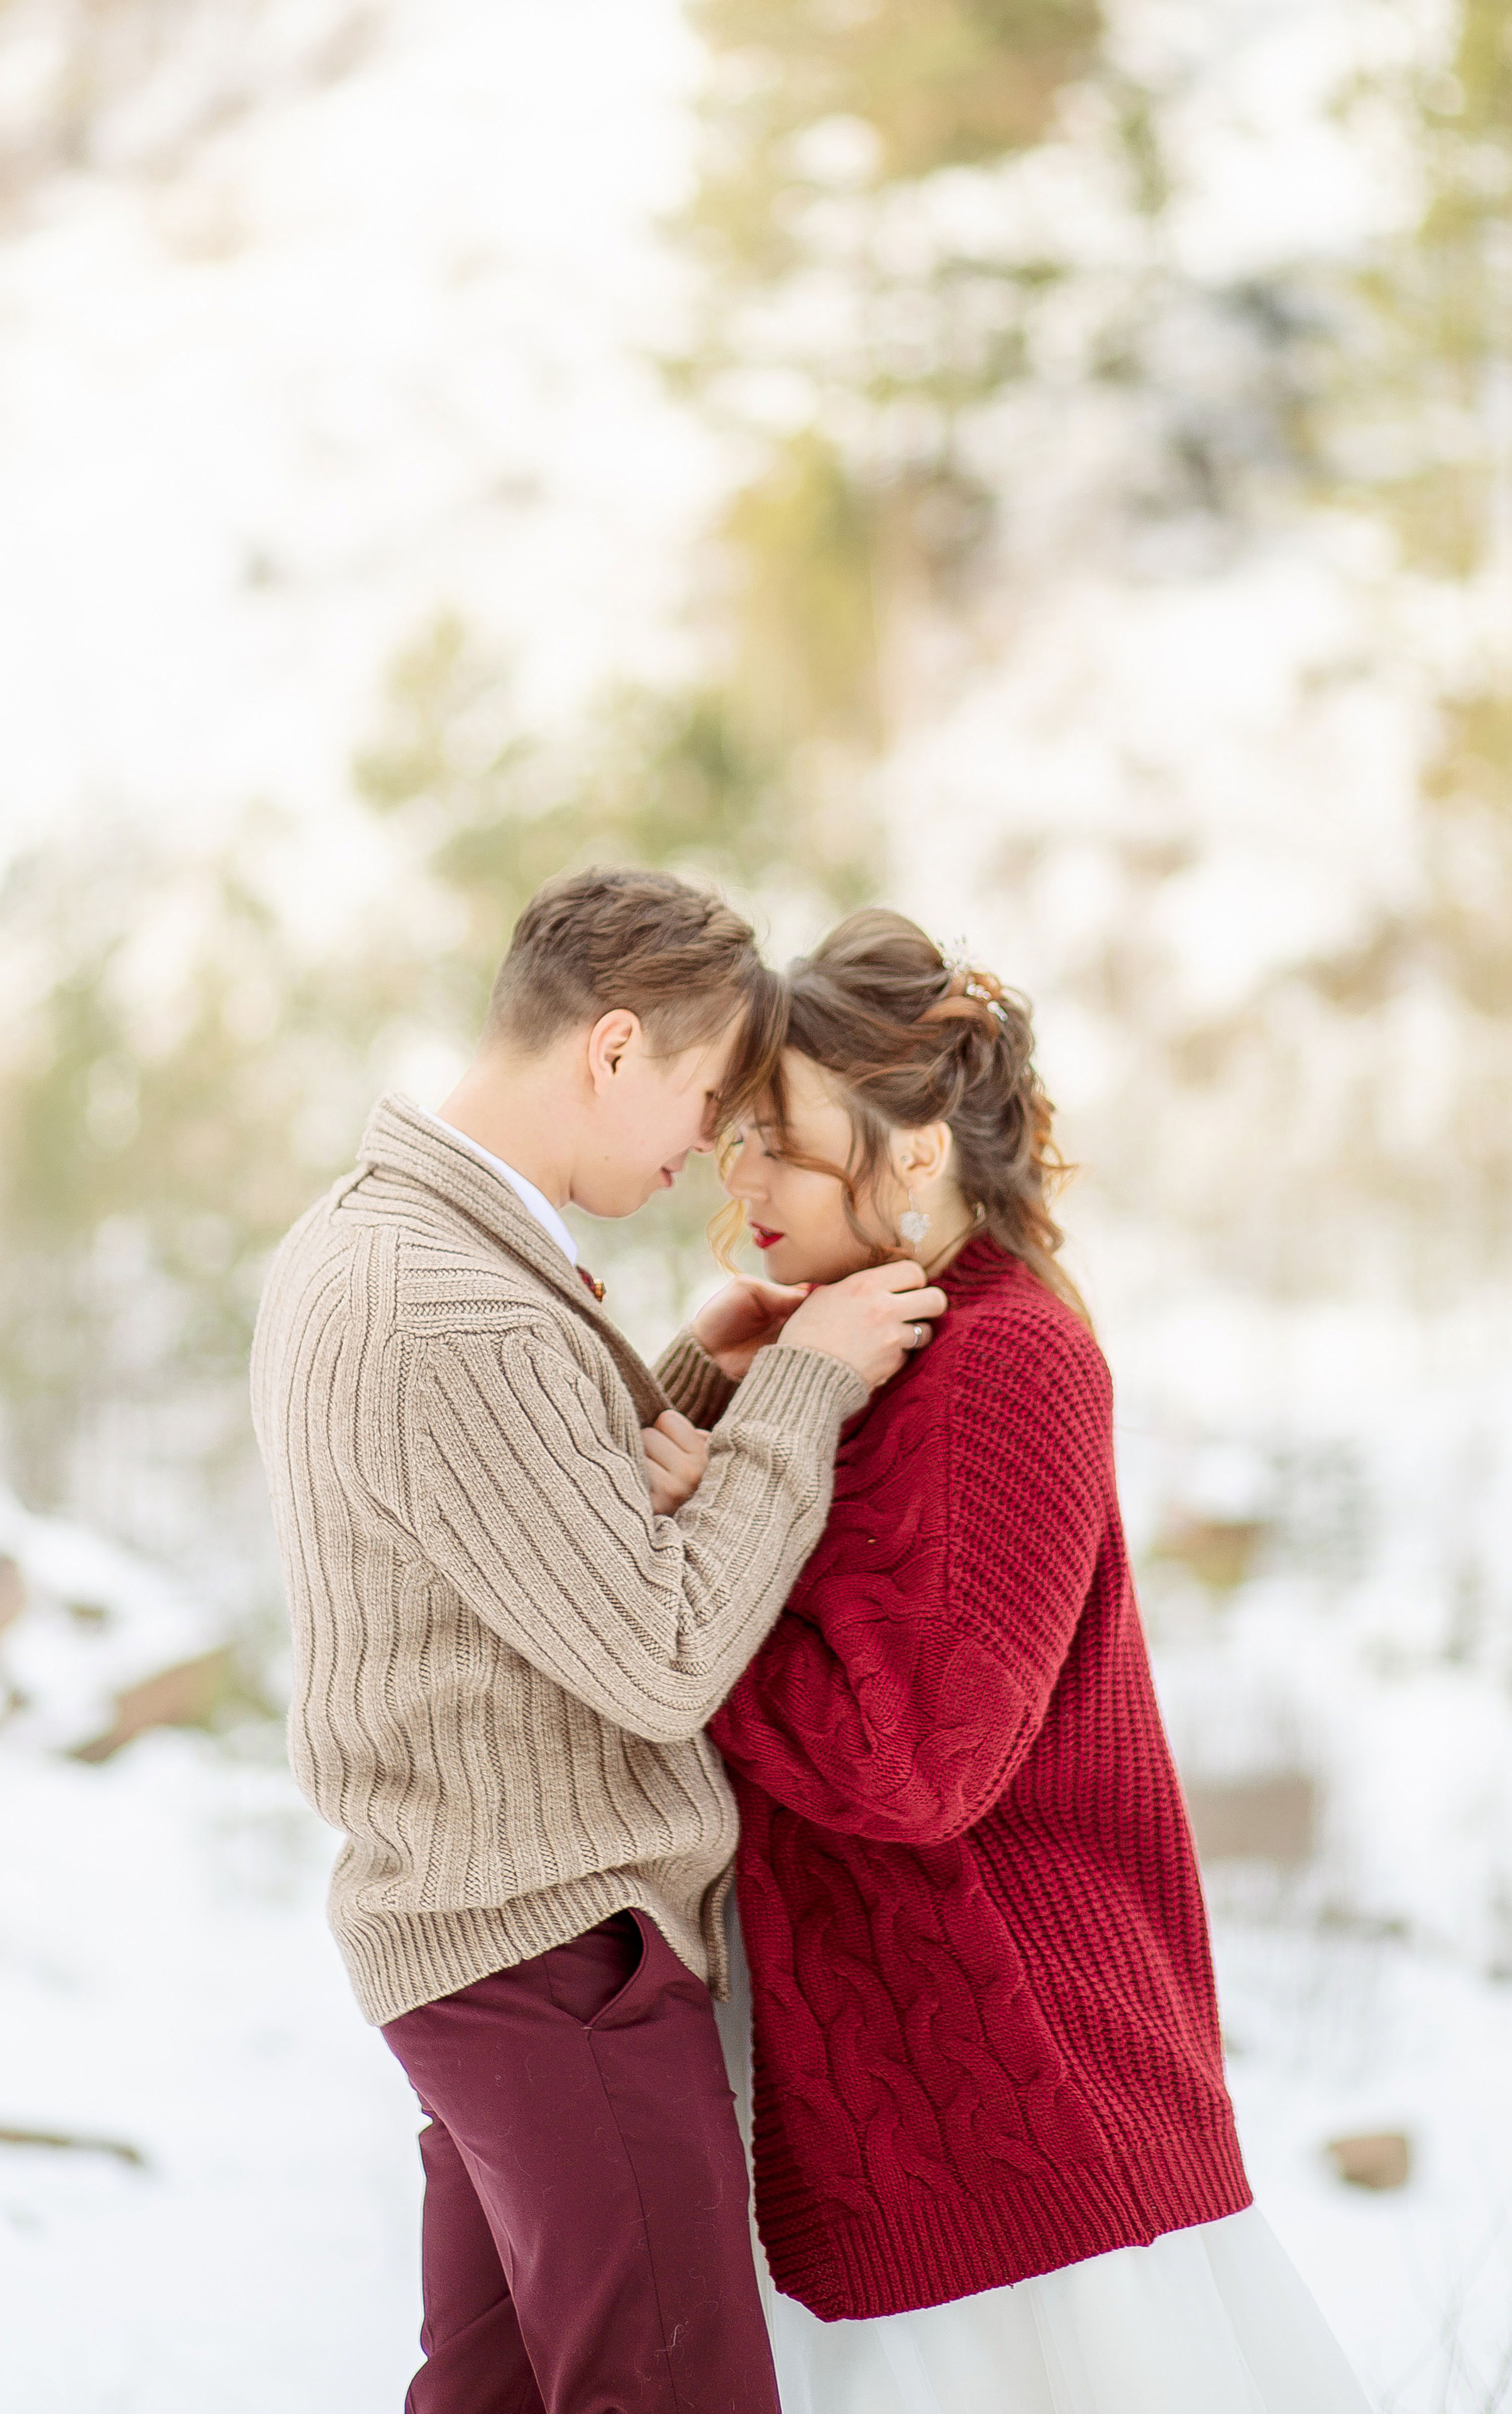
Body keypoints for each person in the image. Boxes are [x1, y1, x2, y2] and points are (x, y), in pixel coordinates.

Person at [248, 867, 949, 2414]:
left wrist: (685, 1382)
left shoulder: (371, 1237)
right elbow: (659, 1653)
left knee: (495, 2396)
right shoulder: (451, 1304)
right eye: (704, 1099)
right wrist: (804, 1390)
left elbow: (514, 1540)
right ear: (614, 1047)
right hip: (559, 1950)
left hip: (490, 1943)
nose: (707, 1148)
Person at [687, 908, 1372, 2413]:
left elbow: (908, 1765)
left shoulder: (1008, 1362)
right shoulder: (857, 1349)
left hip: (1017, 2077)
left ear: (916, 1147)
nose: (740, 1180)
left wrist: (691, 1587)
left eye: (780, 1145)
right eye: (734, 1141)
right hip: (888, 2072)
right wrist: (735, 1407)